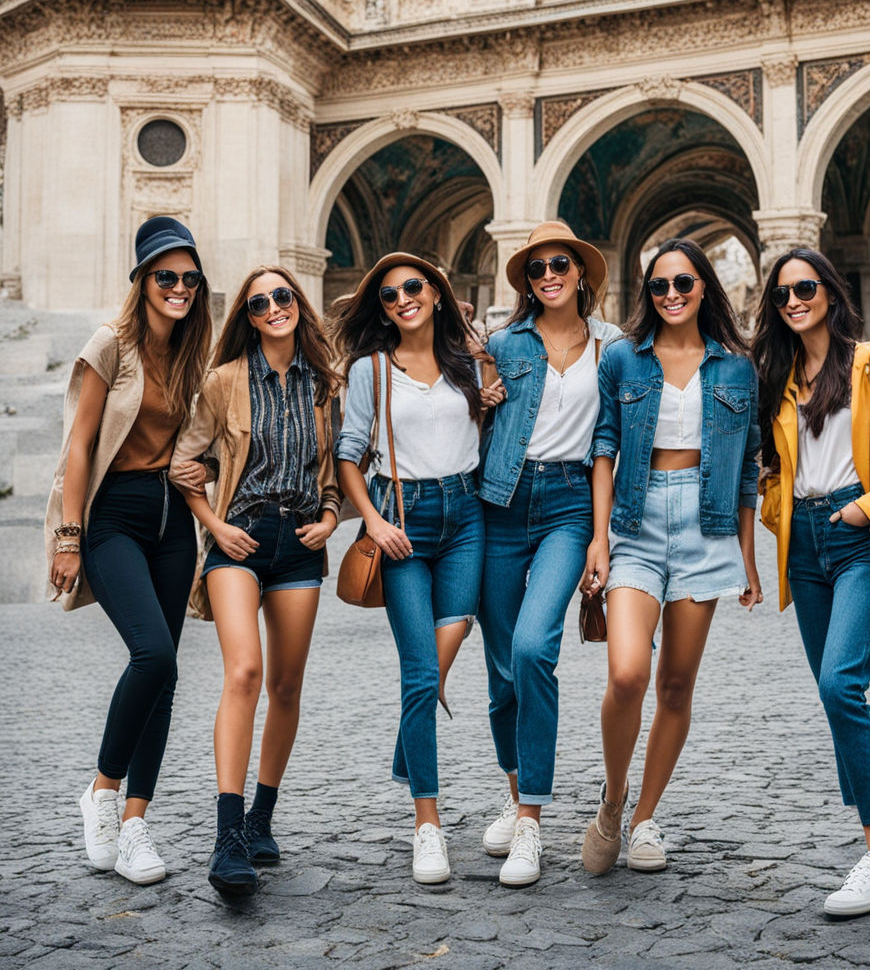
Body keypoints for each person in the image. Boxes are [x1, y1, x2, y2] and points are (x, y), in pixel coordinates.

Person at [752, 247, 870, 916]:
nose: (795, 300)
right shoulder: (774, 375)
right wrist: (780, 512)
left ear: (830, 292)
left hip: (859, 536)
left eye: (805, 287)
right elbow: (771, 467)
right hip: (803, 546)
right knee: (833, 695)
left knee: (841, 684)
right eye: (782, 295)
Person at [579, 238, 762, 875]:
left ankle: (645, 818)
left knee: (676, 684)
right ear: (647, 294)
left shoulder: (737, 366)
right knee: (626, 674)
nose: (673, 294)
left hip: (707, 527)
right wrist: (598, 538)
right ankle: (613, 792)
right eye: (660, 286)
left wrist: (748, 555)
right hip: (635, 516)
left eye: (684, 283)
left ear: (704, 287)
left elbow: (746, 470)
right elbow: (603, 448)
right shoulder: (624, 360)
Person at [46, 216, 212, 884]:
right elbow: (80, 444)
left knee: (166, 675)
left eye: (189, 279)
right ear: (143, 281)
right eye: (166, 276)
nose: (178, 288)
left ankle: (137, 823)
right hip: (112, 514)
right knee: (154, 653)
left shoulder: (191, 355)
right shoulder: (110, 345)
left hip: (172, 521)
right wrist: (69, 535)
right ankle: (102, 791)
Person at [171, 265, 342, 897]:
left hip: (298, 544)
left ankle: (261, 820)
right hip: (237, 539)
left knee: (286, 685)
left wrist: (329, 518)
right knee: (243, 673)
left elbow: (333, 470)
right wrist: (214, 525)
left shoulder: (325, 384)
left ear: (299, 303)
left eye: (283, 297)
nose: (274, 307)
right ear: (247, 316)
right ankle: (227, 838)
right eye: (260, 302)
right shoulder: (223, 382)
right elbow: (185, 464)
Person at [333, 253, 499, 884]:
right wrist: (372, 522)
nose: (401, 299)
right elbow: (350, 454)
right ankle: (427, 825)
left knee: (451, 641)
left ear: (434, 293)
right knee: (421, 672)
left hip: (466, 517)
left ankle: (410, 739)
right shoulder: (371, 369)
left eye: (412, 287)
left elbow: (484, 427)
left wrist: (488, 389)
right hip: (402, 521)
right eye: (388, 296)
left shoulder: (464, 365)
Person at [476, 220, 621, 887]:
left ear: (581, 272)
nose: (549, 276)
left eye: (560, 265)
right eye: (536, 270)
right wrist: (478, 398)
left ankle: (531, 822)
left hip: (568, 504)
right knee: (504, 673)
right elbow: (451, 411)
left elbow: (610, 444)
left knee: (535, 647)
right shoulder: (501, 345)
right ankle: (515, 794)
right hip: (501, 503)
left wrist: (601, 534)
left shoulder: (611, 348)